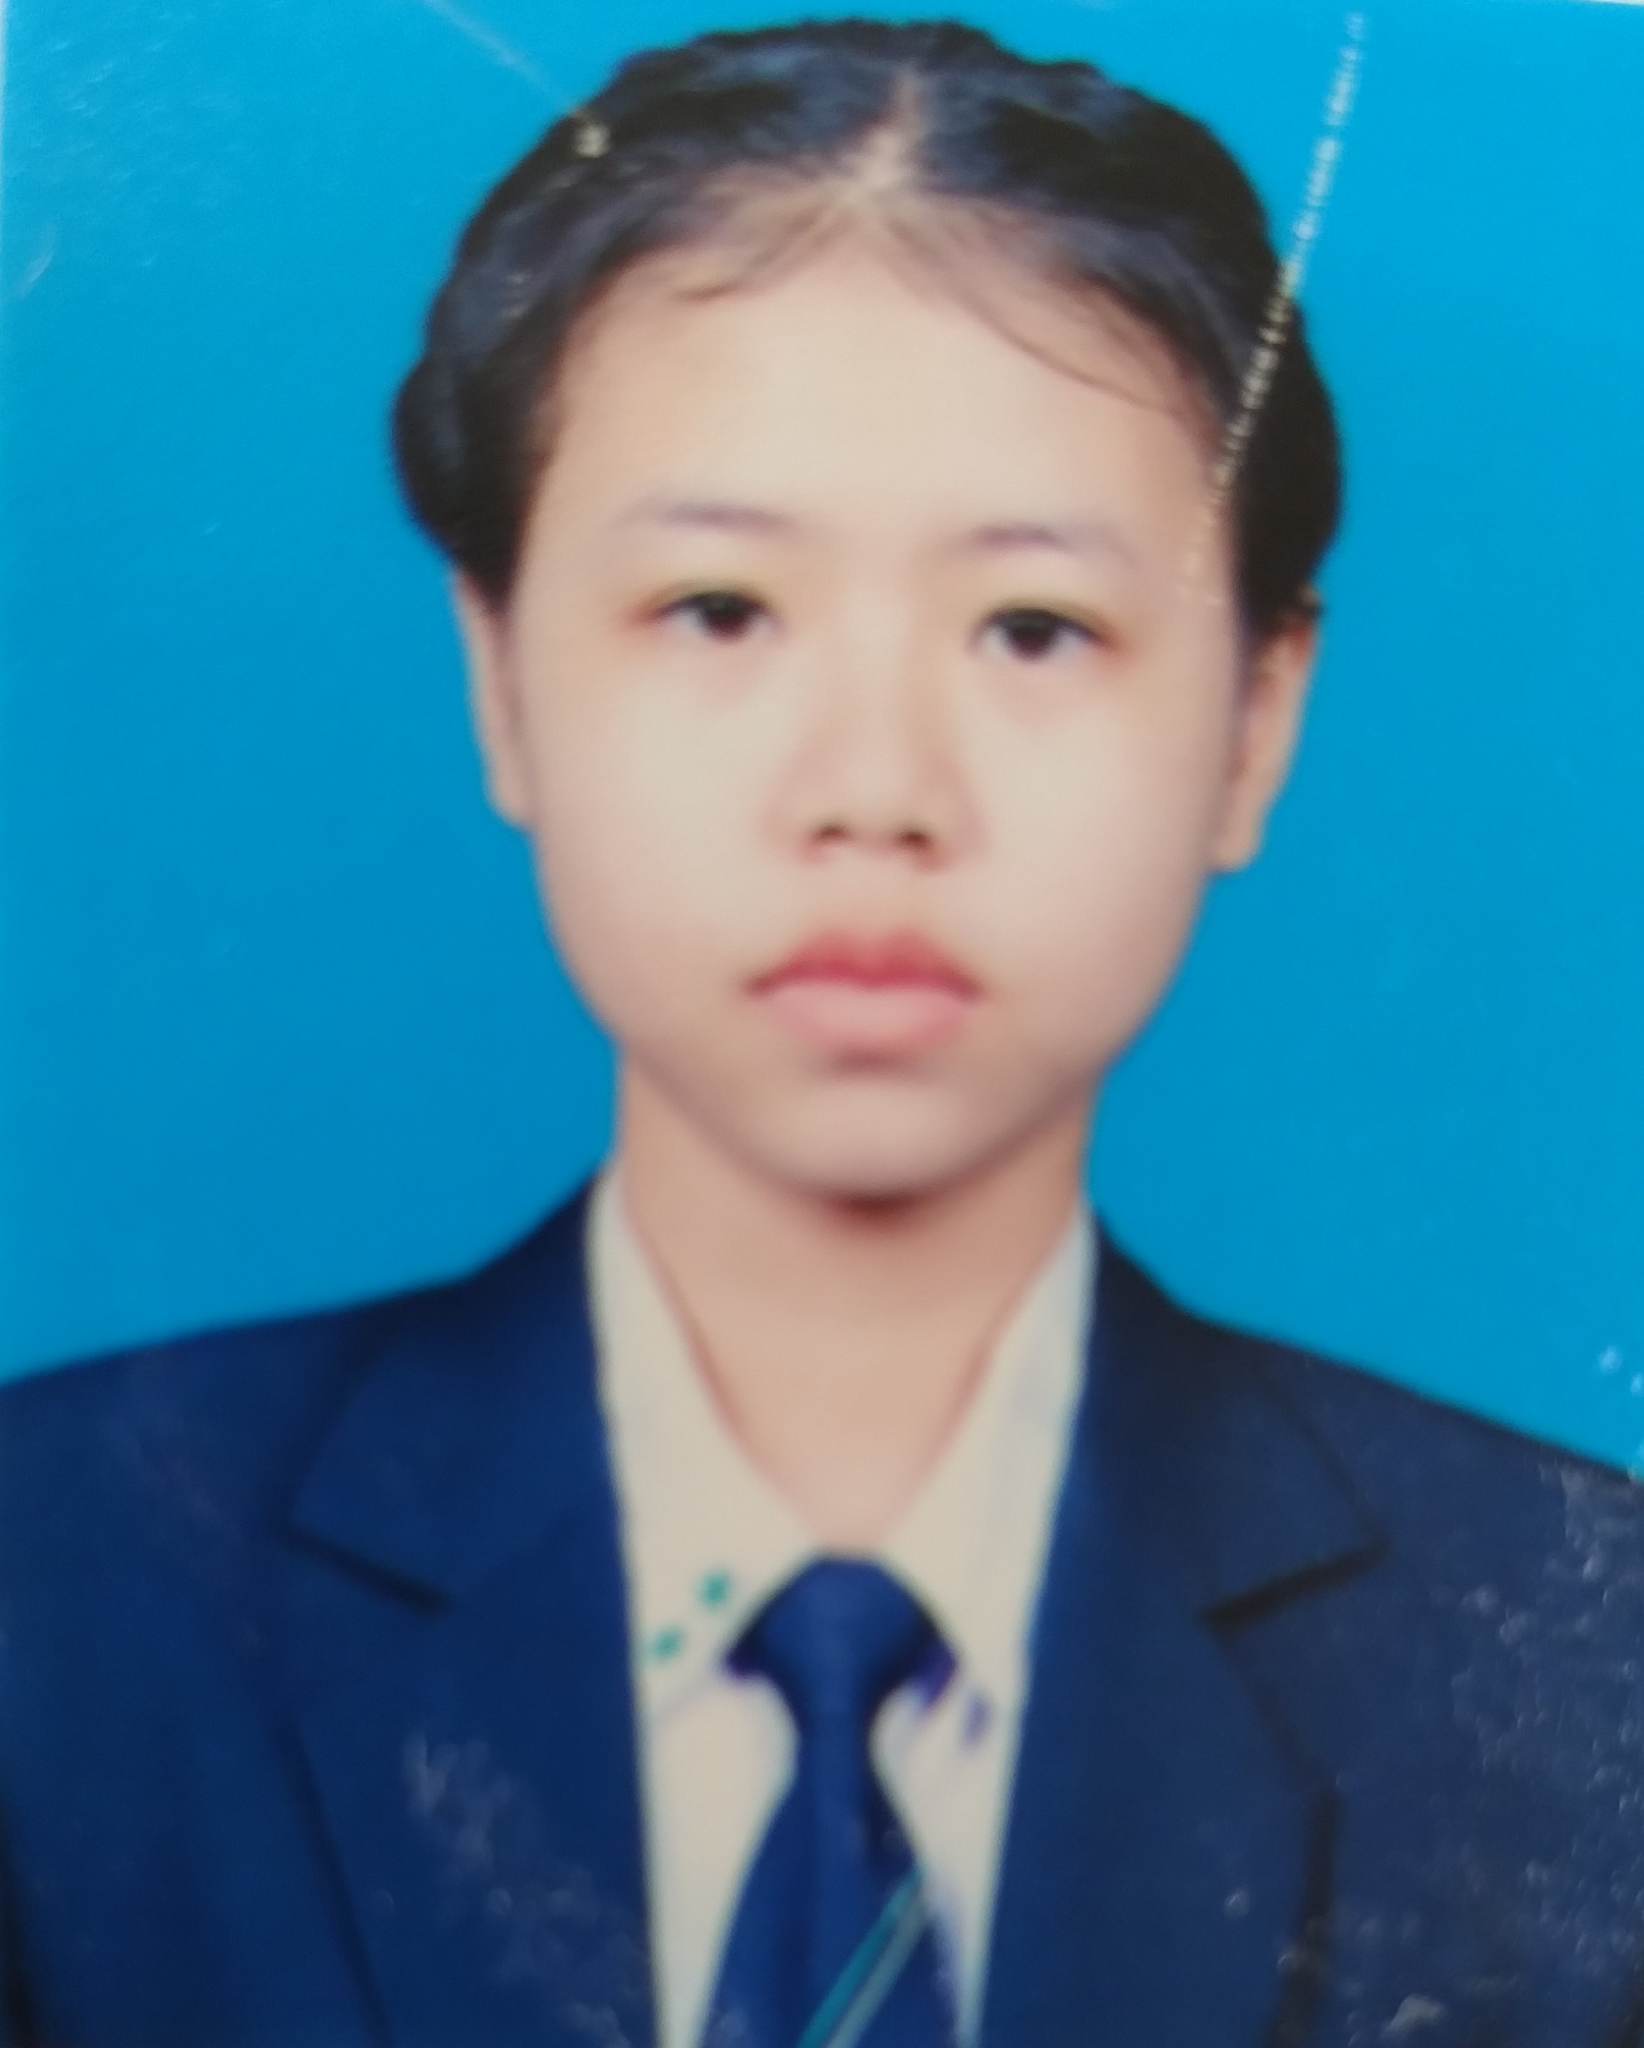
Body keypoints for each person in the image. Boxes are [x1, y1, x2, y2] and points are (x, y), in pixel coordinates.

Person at [3, 15, 1642, 2047]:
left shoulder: (1579, 1665)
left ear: (1255, 719)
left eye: (1034, 628)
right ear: (500, 676)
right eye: (719, 610)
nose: (875, 786)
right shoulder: (58, 1597)